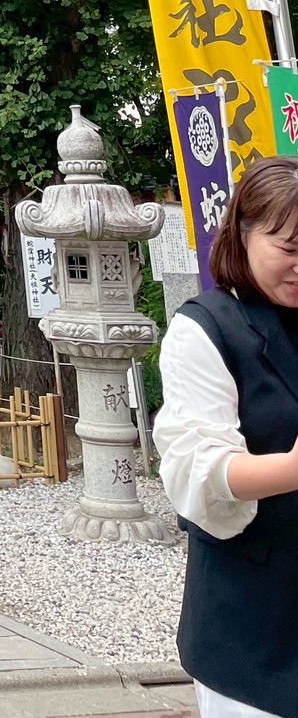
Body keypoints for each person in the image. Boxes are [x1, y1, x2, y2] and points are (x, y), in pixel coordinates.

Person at [155, 159, 298, 718]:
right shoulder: (207, 327)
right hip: (253, 624)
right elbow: (197, 470)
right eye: (289, 248)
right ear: (243, 234)